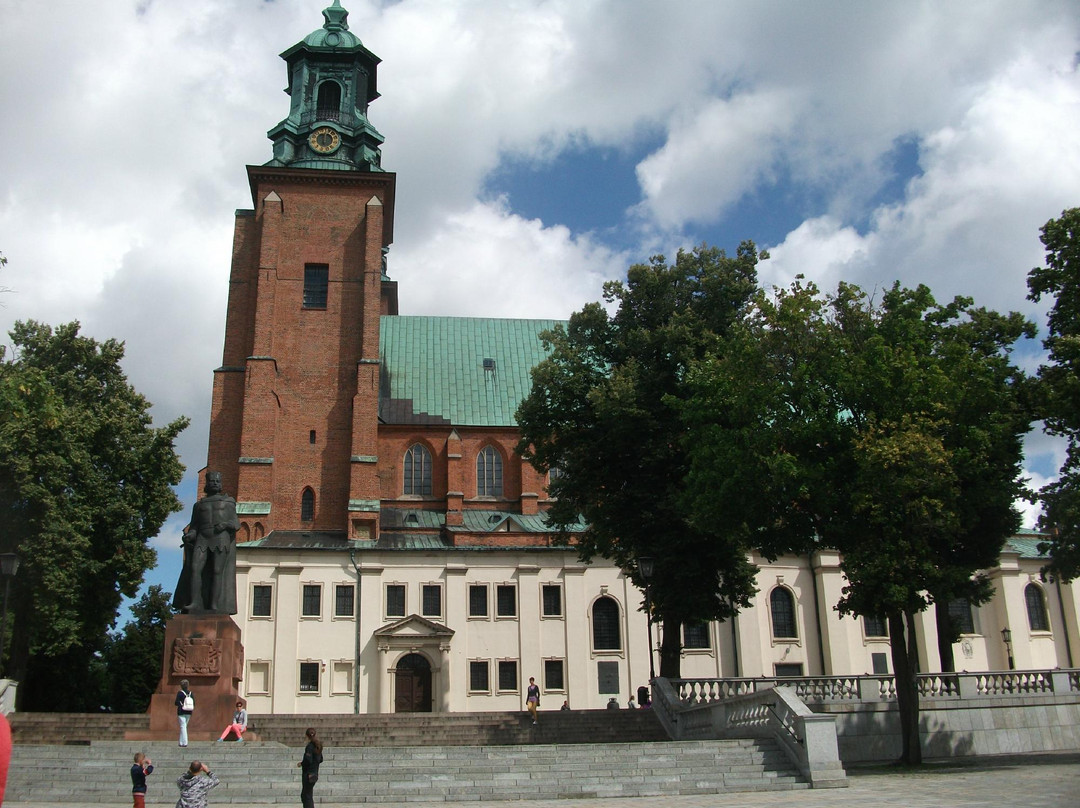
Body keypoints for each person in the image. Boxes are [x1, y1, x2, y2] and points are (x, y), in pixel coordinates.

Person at [173, 471, 240, 614]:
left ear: (221, 484)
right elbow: (194, 526)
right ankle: (194, 602)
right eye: (212, 481)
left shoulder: (228, 502)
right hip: (203, 538)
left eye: (217, 481)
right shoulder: (199, 505)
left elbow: (236, 523)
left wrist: (226, 525)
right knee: (195, 569)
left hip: (220, 538)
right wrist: (190, 535)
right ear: (207, 484)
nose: (215, 483)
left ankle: (214, 605)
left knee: (217, 571)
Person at [298, 727, 323, 808]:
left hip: (308, 774)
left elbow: (308, 760)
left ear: (307, 736)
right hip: (315, 773)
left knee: (306, 796)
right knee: (308, 794)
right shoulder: (318, 745)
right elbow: (321, 759)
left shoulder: (310, 746)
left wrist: (302, 763)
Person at [175, 679, 194, 747]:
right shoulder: (190, 693)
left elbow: (176, 702)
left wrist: (181, 704)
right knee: (184, 726)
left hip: (181, 711)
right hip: (189, 711)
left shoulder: (180, 693)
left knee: (183, 726)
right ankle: (181, 742)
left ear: (181, 686)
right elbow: (193, 702)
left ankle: (185, 742)